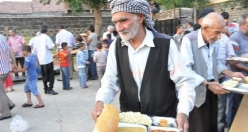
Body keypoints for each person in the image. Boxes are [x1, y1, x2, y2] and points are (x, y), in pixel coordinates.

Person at [92, 1, 197, 132]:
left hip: (162, 120)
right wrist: (100, 100)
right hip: (130, 121)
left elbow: (184, 81)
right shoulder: (116, 46)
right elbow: (110, 81)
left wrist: (183, 112)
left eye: (123, 20)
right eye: (115, 22)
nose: (118, 28)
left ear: (141, 17)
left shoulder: (165, 44)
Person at [180, 12, 244, 132]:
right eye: (217, 32)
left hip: (212, 90)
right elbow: (185, 71)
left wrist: (231, 73)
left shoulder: (215, 41)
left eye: (222, 32)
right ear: (205, 28)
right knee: (199, 127)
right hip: (196, 93)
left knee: (212, 125)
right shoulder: (189, 40)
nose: (220, 37)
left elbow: (216, 64)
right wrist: (206, 84)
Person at [228, 13, 248, 129]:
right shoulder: (235, 38)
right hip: (238, 80)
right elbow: (233, 61)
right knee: (235, 108)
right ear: (240, 25)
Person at [33, 25, 58, 95]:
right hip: (48, 59)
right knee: (51, 75)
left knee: (44, 75)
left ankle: (45, 88)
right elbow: (51, 47)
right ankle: (50, 88)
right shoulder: (47, 38)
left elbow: (34, 50)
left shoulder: (37, 39)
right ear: (46, 31)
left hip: (41, 60)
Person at [0, 34, 16, 121]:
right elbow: (10, 51)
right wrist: (14, 63)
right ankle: (9, 104)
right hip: (6, 70)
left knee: (0, 94)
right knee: (1, 91)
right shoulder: (2, 37)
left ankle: (6, 113)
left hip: (0, 71)